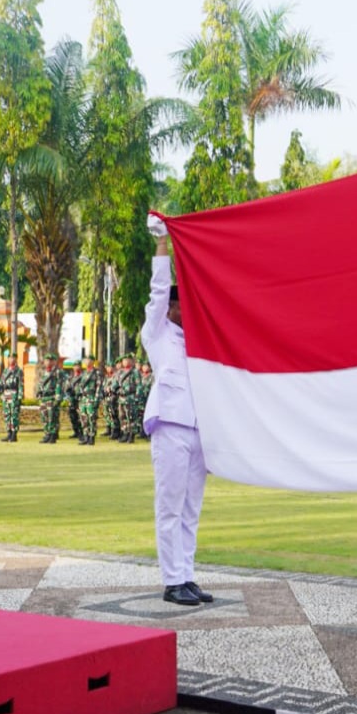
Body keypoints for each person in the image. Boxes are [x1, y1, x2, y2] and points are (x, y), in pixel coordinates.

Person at [143, 221, 213, 607]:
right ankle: (172, 581)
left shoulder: (198, 340)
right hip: (169, 424)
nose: (187, 309)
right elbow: (156, 292)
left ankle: (187, 575)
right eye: (181, 303)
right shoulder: (157, 333)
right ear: (170, 308)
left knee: (191, 508)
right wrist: (162, 243)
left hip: (199, 429)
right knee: (169, 505)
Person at [37, 356, 64, 444]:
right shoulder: (43, 372)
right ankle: (47, 434)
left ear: (54, 362)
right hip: (44, 398)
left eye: (50, 361)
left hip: (52, 397)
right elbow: (40, 383)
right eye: (47, 360)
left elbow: (59, 384)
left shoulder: (57, 372)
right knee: (44, 417)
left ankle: (53, 435)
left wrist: (58, 397)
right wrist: (39, 392)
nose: (48, 362)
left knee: (52, 417)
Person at [0, 353, 23, 443]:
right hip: (6, 394)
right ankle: (8, 432)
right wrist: (0, 393)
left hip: (14, 393)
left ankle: (14, 434)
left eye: (13, 358)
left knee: (14, 415)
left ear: (16, 360)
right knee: (7, 415)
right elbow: (0, 383)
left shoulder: (18, 371)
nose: (11, 360)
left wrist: (20, 396)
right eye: (10, 358)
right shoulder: (5, 371)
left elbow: (20, 385)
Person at [78, 358, 101, 446]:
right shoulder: (84, 373)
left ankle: (91, 437)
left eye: (88, 361)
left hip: (91, 397)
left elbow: (98, 387)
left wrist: (96, 399)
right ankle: (85, 436)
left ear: (92, 362)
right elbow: (80, 385)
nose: (87, 362)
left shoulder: (96, 373)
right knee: (83, 418)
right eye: (85, 361)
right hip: (83, 398)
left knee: (92, 418)